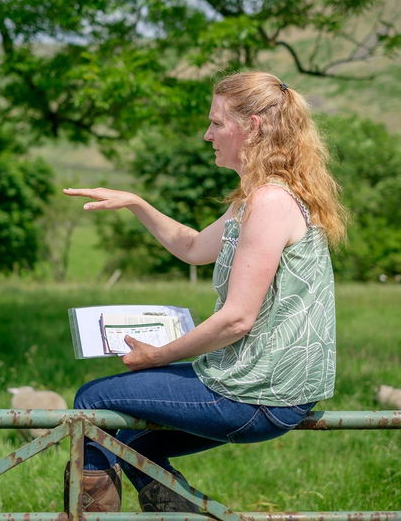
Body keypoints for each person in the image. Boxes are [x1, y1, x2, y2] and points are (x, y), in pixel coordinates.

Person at [63, 70, 347, 513]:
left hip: (261, 394)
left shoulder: (270, 202)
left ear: (251, 126)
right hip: (259, 384)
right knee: (134, 443)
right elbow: (194, 247)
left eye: (216, 123)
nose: (207, 133)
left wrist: (157, 355)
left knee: (91, 401)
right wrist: (136, 202)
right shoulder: (253, 199)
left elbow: (237, 319)